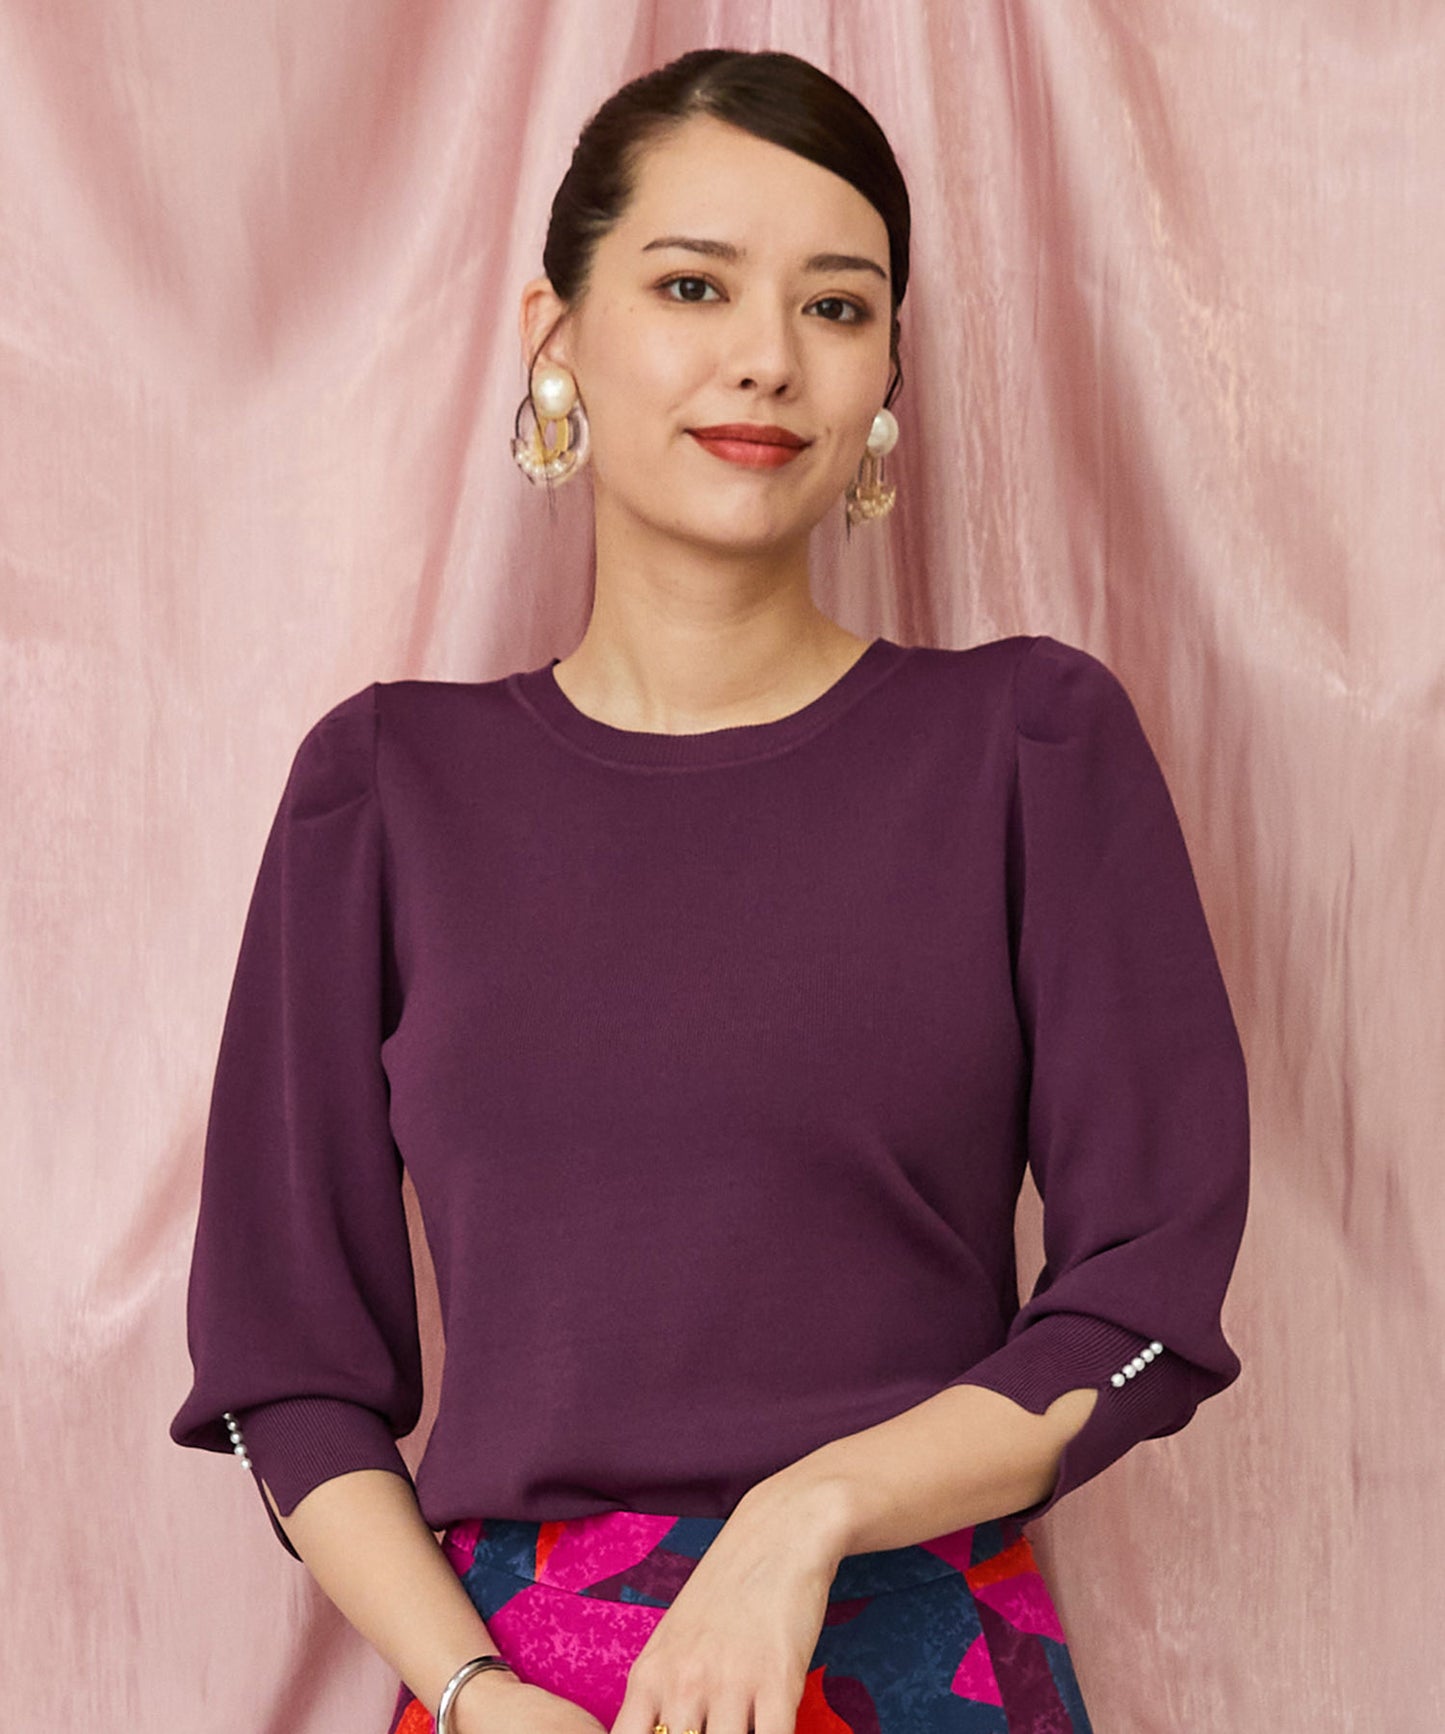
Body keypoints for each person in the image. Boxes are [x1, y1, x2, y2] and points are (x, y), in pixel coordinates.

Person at [169, 46, 1250, 1734]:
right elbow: (282, 1371)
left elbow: (1143, 1295)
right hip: (515, 1690)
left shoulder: (1028, 745)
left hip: (921, 1660)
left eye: (836, 306)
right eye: (692, 286)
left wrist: (802, 1513)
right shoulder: (384, 788)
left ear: (885, 371)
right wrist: (472, 1689)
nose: (767, 356)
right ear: (557, 334)